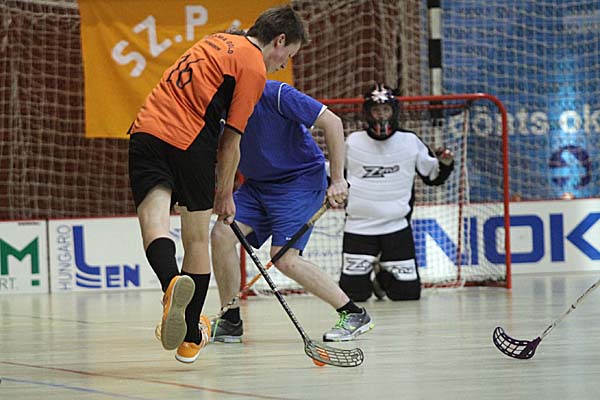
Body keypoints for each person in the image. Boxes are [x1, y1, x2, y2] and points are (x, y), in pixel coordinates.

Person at [127, 6, 309, 364]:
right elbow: (230, 142)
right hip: (191, 143)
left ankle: (170, 283)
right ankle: (190, 337)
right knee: (196, 240)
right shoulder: (253, 67)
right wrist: (226, 194)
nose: (281, 65)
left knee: (153, 222)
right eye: (286, 56)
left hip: (146, 130)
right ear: (279, 40)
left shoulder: (213, 40)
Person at [209, 80, 374, 343]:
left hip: (299, 181)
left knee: (284, 258)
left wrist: (338, 179)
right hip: (258, 185)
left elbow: (332, 122)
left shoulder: (276, 93)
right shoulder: (215, 104)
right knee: (221, 235)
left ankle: (354, 313)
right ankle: (230, 321)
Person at [340, 83, 454, 302]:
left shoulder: (410, 141)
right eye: (376, 110)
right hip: (358, 228)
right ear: (367, 113)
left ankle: (381, 276)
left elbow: (433, 177)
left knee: (407, 295)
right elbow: (334, 174)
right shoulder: (353, 141)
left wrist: (445, 163)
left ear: (394, 111)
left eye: (385, 109)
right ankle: (368, 274)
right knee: (354, 296)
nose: (381, 115)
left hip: (396, 228)